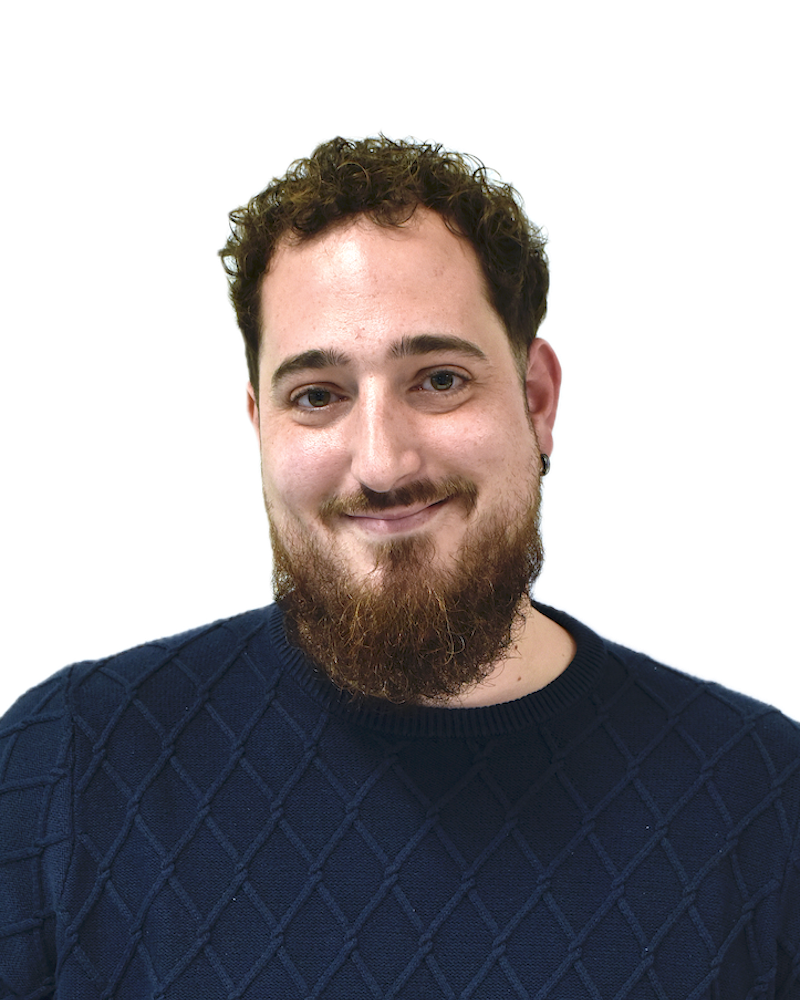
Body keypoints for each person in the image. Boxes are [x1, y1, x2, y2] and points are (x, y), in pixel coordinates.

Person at [1, 131, 798, 999]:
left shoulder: (763, 804)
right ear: (260, 424)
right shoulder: (66, 764)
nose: (382, 464)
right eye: (317, 396)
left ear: (536, 399)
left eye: (439, 380)